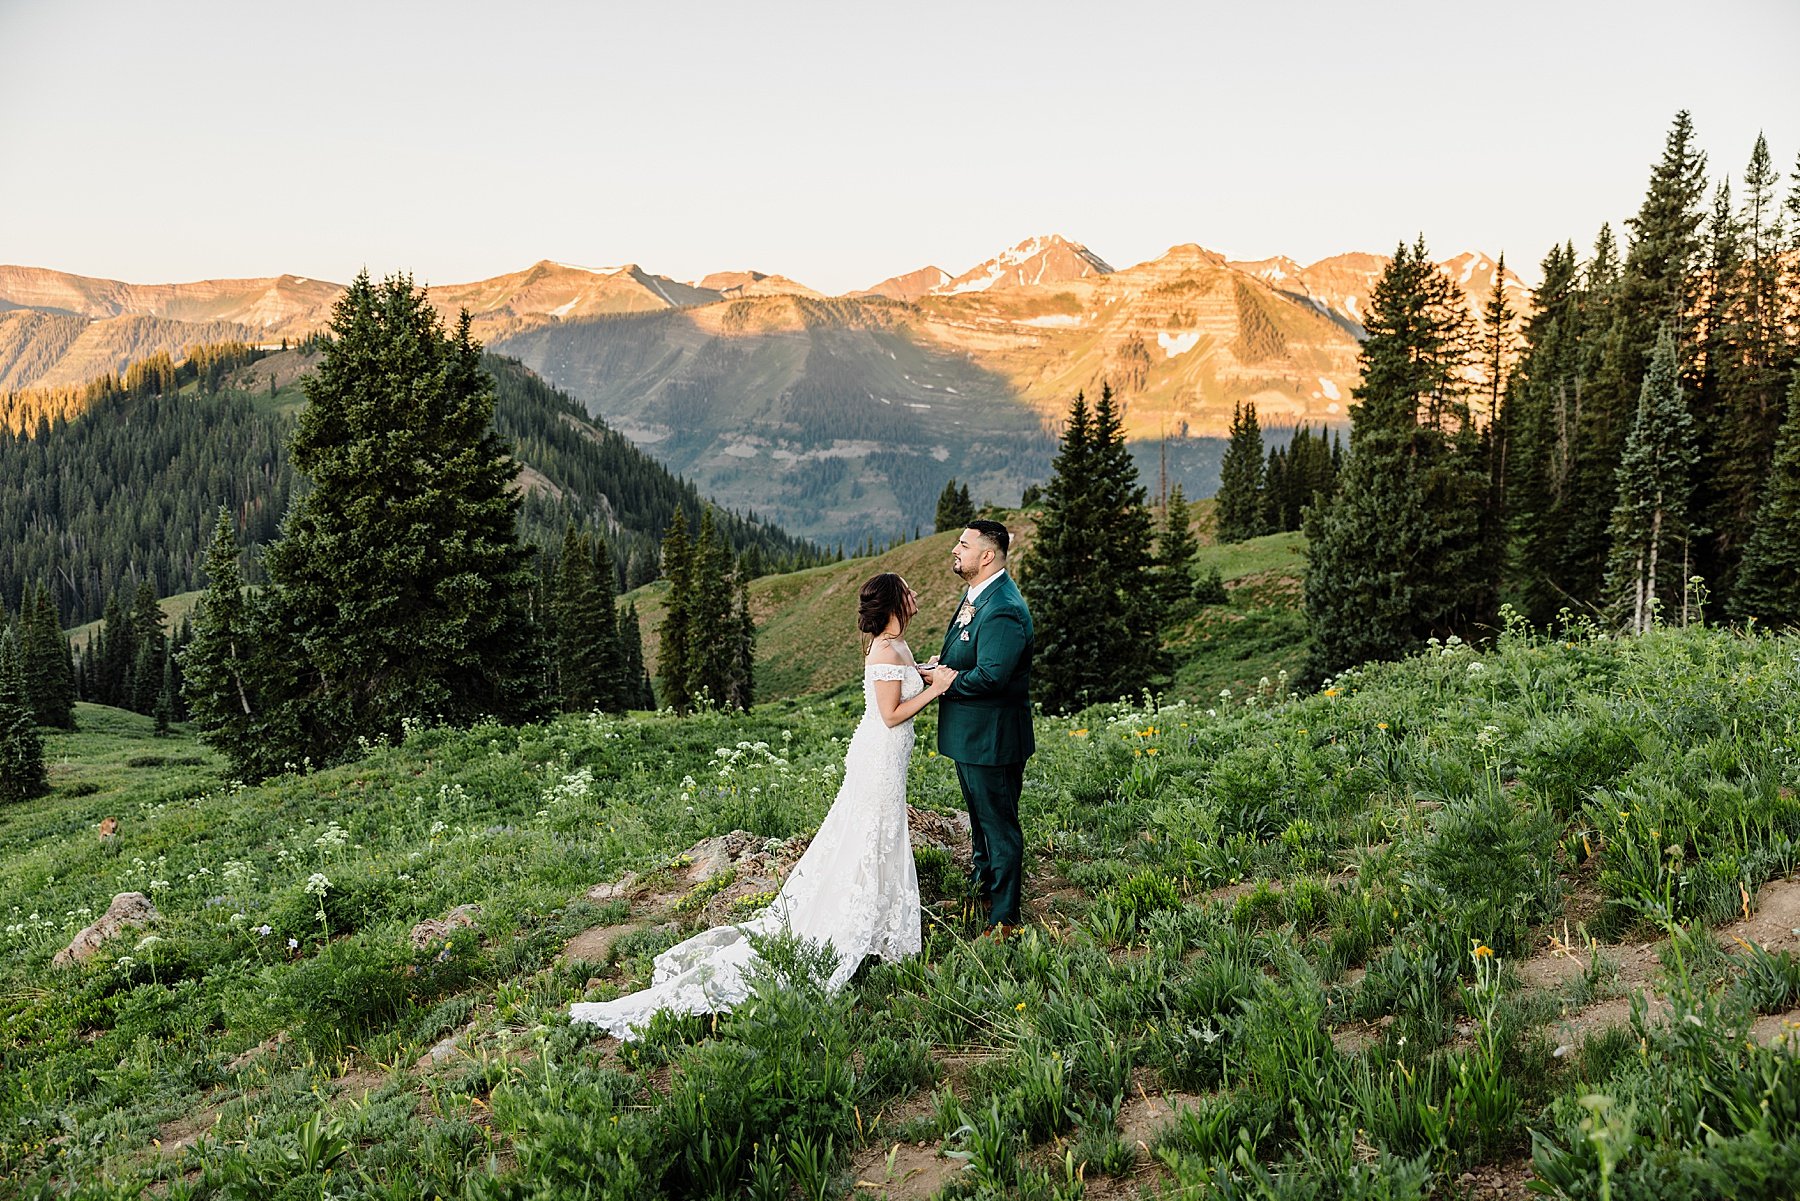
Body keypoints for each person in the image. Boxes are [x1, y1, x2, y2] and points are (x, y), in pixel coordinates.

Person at [570, 572, 954, 1039]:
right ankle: (859, 927)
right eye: (909, 591)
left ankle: (880, 926)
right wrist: (937, 688)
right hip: (879, 757)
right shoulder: (885, 649)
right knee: (870, 835)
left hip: (887, 759)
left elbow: (902, 684)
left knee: (880, 835)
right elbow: (892, 714)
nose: (916, 596)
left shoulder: (898, 647)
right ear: (896, 601)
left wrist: (927, 672)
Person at [924, 520, 1034, 938]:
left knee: (999, 825)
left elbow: (992, 676)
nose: (955, 549)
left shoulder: (1004, 606)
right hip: (971, 736)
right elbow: (967, 653)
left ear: (986, 555)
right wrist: (940, 666)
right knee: (980, 819)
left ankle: (1005, 918)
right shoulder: (977, 595)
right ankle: (983, 890)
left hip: (993, 737)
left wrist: (943, 682)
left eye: (963, 544)